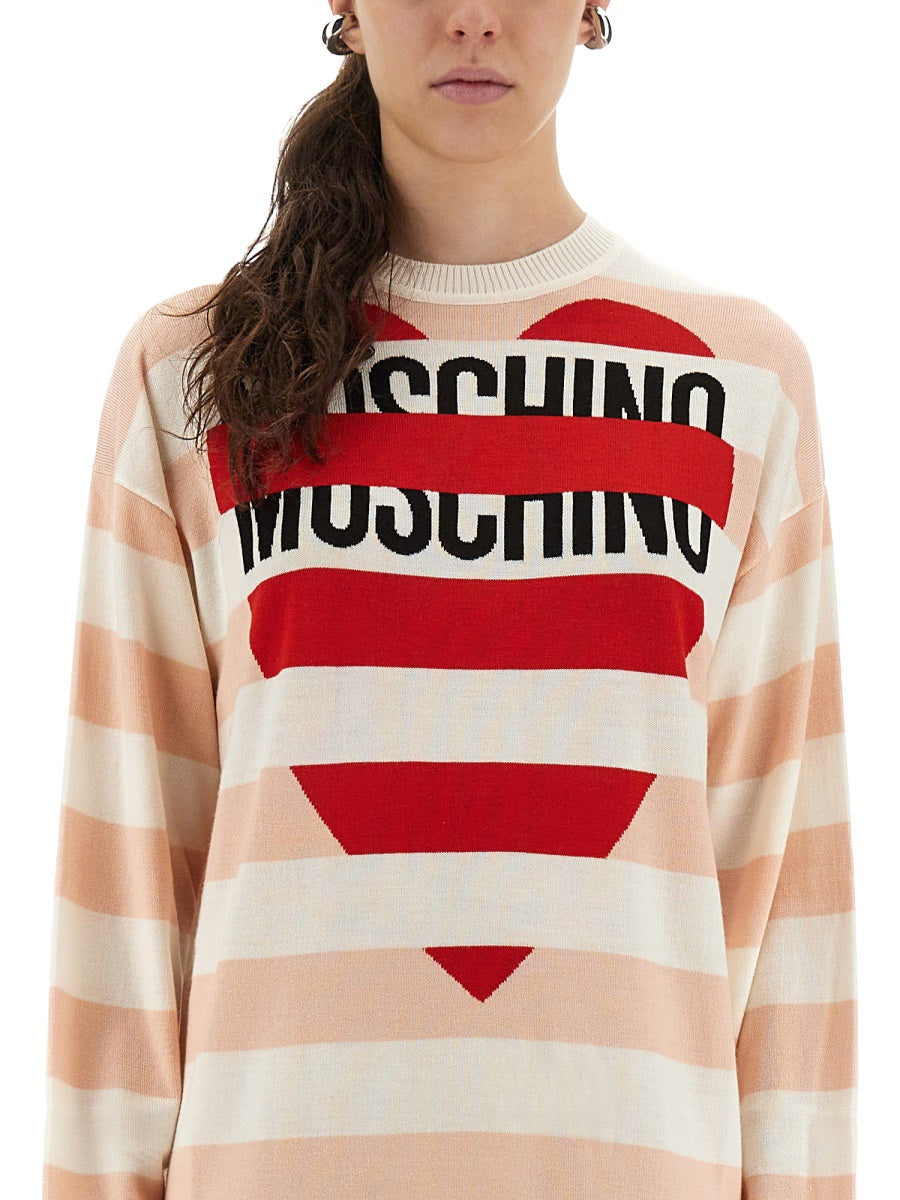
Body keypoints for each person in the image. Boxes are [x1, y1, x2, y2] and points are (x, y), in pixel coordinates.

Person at [41, 3, 858, 1198]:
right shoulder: (196, 375)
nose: (473, 18)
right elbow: (123, 867)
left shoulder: (742, 384)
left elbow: (784, 886)